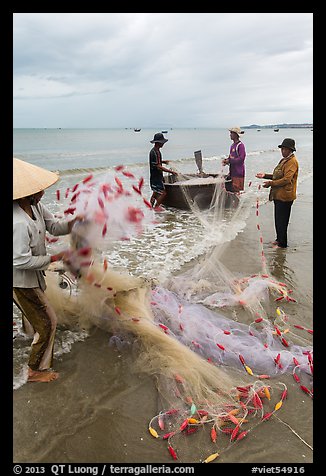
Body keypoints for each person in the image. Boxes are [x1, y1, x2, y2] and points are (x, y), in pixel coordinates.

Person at [13, 158, 82, 382]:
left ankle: (28, 337)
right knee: (48, 321)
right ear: (25, 193)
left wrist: (74, 223)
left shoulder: (35, 205)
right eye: (39, 189)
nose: (42, 192)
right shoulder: (18, 223)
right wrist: (53, 258)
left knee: (33, 315)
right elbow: (19, 261)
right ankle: (34, 370)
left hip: (31, 276)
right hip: (20, 281)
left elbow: (53, 226)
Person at [256, 138, 299, 249]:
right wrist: (265, 175)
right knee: (278, 219)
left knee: (282, 221)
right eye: (282, 148)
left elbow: (286, 179)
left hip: (286, 197)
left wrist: (271, 183)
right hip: (279, 195)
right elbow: (278, 176)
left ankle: (282, 244)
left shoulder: (292, 162)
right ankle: (278, 239)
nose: (282, 151)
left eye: (285, 149)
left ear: (290, 150)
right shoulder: (284, 160)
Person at [149, 132, 178, 208]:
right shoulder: (155, 152)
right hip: (156, 176)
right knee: (163, 193)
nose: (163, 144)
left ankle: (150, 207)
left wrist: (163, 161)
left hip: (154, 175)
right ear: (158, 143)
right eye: (162, 142)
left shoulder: (154, 151)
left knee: (155, 193)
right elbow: (158, 166)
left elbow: (156, 162)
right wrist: (171, 172)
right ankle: (156, 208)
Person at [222, 127, 246, 192]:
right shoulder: (232, 145)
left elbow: (241, 159)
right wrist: (226, 161)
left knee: (236, 192)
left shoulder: (240, 146)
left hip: (238, 173)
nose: (230, 135)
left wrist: (229, 161)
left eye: (231, 133)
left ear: (236, 135)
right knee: (231, 191)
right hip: (232, 173)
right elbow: (231, 157)